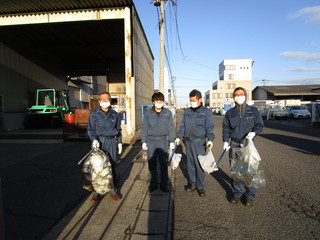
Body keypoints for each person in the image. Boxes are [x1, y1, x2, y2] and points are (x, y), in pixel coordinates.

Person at [222, 87, 264, 207]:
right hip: (234, 145)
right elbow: (226, 129)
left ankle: (250, 195)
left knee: (249, 171)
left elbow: (260, 125)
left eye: (241, 94)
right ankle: (237, 193)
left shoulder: (254, 111)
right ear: (233, 97)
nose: (239, 96)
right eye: (236, 94)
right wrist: (225, 141)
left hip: (248, 146)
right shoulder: (230, 113)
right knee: (236, 172)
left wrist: (254, 132)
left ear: (245, 95)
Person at [175, 89, 215, 197]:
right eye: (190, 100)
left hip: (199, 142)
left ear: (200, 100)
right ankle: (192, 184)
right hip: (188, 142)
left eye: (194, 100)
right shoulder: (187, 112)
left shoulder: (206, 112)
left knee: (199, 165)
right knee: (191, 165)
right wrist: (179, 136)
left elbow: (209, 127)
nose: (192, 102)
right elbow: (183, 125)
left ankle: (201, 186)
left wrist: (210, 139)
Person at [87, 92, 122, 201]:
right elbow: (91, 129)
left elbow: (119, 129)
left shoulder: (114, 114)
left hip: (111, 142)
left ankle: (113, 190)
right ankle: (96, 191)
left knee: (111, 166)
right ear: (99, 101)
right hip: (99, 143)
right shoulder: (94, 114)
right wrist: (94, 140)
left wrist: (120, 142)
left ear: (110, 101)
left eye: (107, 99)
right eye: (102, 99)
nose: (105, 101)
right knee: (97, 168)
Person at [141, 92, 175, 192]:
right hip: (151, 140)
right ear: (153, 102)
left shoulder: (167, 113)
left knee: (163, 163)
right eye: (157, 101)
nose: (159, 102)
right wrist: (143, 141)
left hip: (163, 140)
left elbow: (170, 127)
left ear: (163, 102)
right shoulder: (148, 114)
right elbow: (144, 128)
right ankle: (153, 183)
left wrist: (172, 141)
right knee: (152, 163)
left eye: (161, 101)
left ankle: (164, 184)